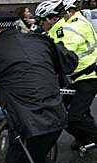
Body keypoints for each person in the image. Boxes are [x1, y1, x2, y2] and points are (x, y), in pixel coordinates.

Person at [0, 10, 77, 163]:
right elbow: (70, 61)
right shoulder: (40, 40)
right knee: (36, 162)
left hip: (29, 125)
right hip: (56, 115)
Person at [36, 0, 97, 150]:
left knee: (75, 117)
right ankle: (84, 138)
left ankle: (90, 137)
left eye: (41, 20)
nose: (39, 24)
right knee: (65, 113)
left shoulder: (63, 33)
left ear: (52, 19)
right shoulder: (57, 31)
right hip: (79, 77)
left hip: (89, 77)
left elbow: (63, 62)